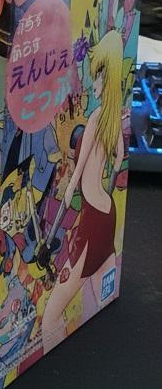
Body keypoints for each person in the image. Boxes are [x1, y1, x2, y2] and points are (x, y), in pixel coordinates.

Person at [40, 28, 125, 351]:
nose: (95, 83)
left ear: (108, 77)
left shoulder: (96, 118)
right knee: (102, 296)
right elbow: (118, 159)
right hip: (108, 211)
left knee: (50, 317)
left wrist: (53, 231)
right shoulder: (113, 118)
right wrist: (103, 176)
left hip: (91, 221)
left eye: (99, 75)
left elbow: (76, 175)